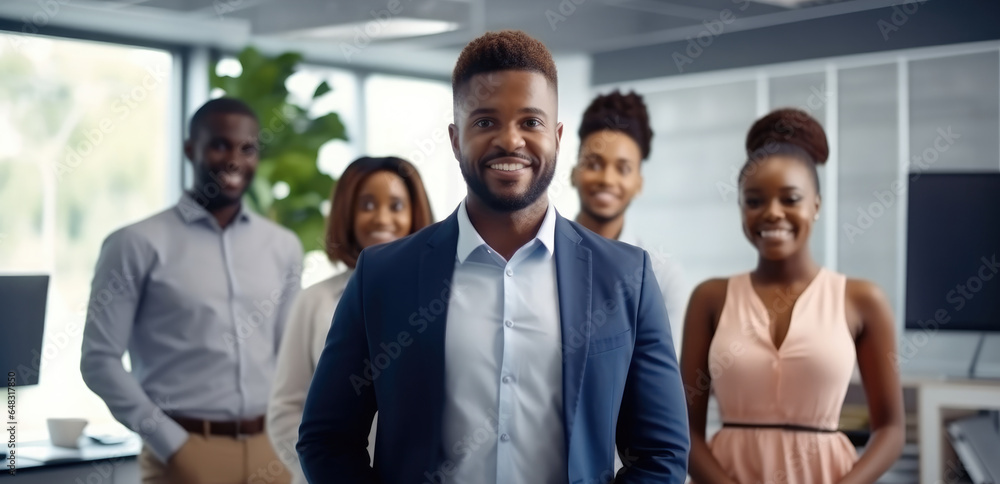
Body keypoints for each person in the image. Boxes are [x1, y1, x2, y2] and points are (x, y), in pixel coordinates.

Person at [297, 30, 689, 484]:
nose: (510, 140)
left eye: (531, 122)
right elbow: (327, 439)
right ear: (454, 138)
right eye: (485, 122)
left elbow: (661, 453)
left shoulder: (627, 276)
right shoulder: (383, 276)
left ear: (558, 137)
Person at [81, 98, 303, 484]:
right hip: (183, 455)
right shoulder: (135, 243)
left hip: (271, 450)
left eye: (247, 148)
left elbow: (290, 355)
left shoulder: (283, 246)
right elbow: (99, 361)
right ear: (190, 149)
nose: (234, 159)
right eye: (219, 145)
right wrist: (172, 443)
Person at [681, 108, 904, 484]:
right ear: (740, 209)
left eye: (790, 199)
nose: (772, 213)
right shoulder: (710, 298)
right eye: (754, 201)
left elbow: (892, 430)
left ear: (815, 205)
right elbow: (686, 431)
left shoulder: (863, 300)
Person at [267, 156, 434, 484]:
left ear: (415, 213)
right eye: (367, 204)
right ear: (346, 213)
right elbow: (286, 408)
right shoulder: (314, 301)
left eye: (396, 205)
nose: (382, 218)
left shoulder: (438, 300)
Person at [571, 90, 688, 352]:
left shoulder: (662, 275)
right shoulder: (542, 254)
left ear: (638, 184)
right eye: (593, 164)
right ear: (573, 174)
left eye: (623, 169)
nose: (607, 180)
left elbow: (664, 374)